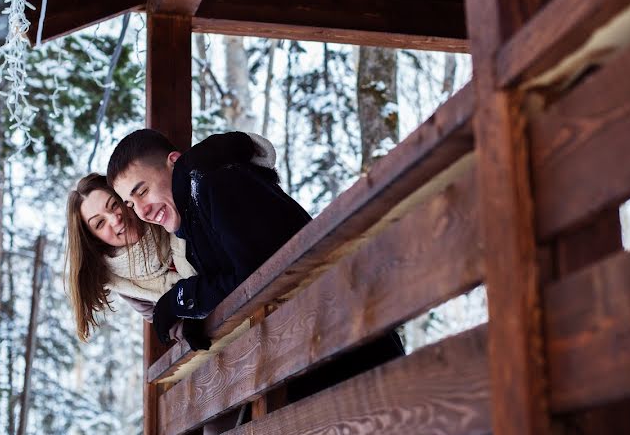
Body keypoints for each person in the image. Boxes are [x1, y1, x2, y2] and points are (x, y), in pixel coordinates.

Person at [106, 129, 404, 395]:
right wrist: (202, 319)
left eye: (142, 190)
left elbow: (251, 275)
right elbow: (237, 275)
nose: (141, 210)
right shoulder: (196, 216)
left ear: (174, 161)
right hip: (318, 351)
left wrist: (179, 301)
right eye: (131, 205)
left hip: (350, 348)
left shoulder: (212, 178)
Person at [64, 133, 276, 342]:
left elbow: (254, 274)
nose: (115, 219)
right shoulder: (127, 282)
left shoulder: (185, 208)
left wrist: (179, 300)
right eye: (100, 224)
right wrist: (185, 321)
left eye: (115, 205)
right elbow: (170, 322)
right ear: (95, 239)